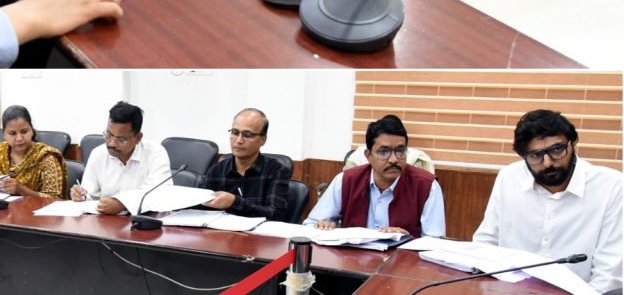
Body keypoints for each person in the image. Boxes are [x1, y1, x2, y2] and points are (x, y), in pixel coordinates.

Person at [473, 110, 622, 292]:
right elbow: (486, 243)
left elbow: (609, 275)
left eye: (557, 150)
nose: (548, 163)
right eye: (535, 155)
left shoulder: (611, 186)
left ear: (573, 143)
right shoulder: (509, 177)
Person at [306, 115, 446, 237]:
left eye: (400, 151)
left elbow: (433, 242)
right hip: (353, 257)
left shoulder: (427, 186)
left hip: (401, 259)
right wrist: (323, 226)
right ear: (368, 155)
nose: (394, 159)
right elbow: (310, 226)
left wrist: (407, 240)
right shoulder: (345, 180)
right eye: (384, 152)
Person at [71, 101, 171, 214]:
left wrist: (123, 204)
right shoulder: (98, 154)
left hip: (147, 220)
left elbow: (159, 195)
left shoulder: (155, 154)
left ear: (138, 138)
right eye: (108, 135)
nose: (111, 144)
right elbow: (91, 197)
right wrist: (81, 196)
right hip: (107, 221)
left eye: (121, 139)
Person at [201, 108, 289, 221]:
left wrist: (234, 202)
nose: (239, 140)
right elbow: (200, 205)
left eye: (247, 135)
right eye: (235, 132)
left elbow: (276, 214)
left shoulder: (276, 170)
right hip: (220, 230)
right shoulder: (217, 170)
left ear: (263, 140)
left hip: (258, 231)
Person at [0, 105, 68, 199]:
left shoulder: (46, 156)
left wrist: (21, 190)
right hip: (1, 207)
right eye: (12, 133)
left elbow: (55, 199)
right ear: (4, 134)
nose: (19, 138)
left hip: (37, 208)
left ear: (32, 130)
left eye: (24, 132)